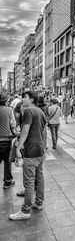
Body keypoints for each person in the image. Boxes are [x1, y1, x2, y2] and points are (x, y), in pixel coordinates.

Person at [9, 91, 47, 220]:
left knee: (29, 181)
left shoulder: (29, 111)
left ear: (31, 99)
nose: (22, 99)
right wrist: (44, 149)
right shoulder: (40, 111)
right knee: (39, 177)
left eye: (24, 97)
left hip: (31, 150)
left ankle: (25, 210)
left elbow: (25, 130)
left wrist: (19, 147)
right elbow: (43, 132)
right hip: (40, 150)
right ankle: (39, 202)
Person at [0, 93, 16, 189]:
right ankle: (7, 182)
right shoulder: (9, 110)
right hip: (6, 139)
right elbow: (13, 124)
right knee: (7, 161)